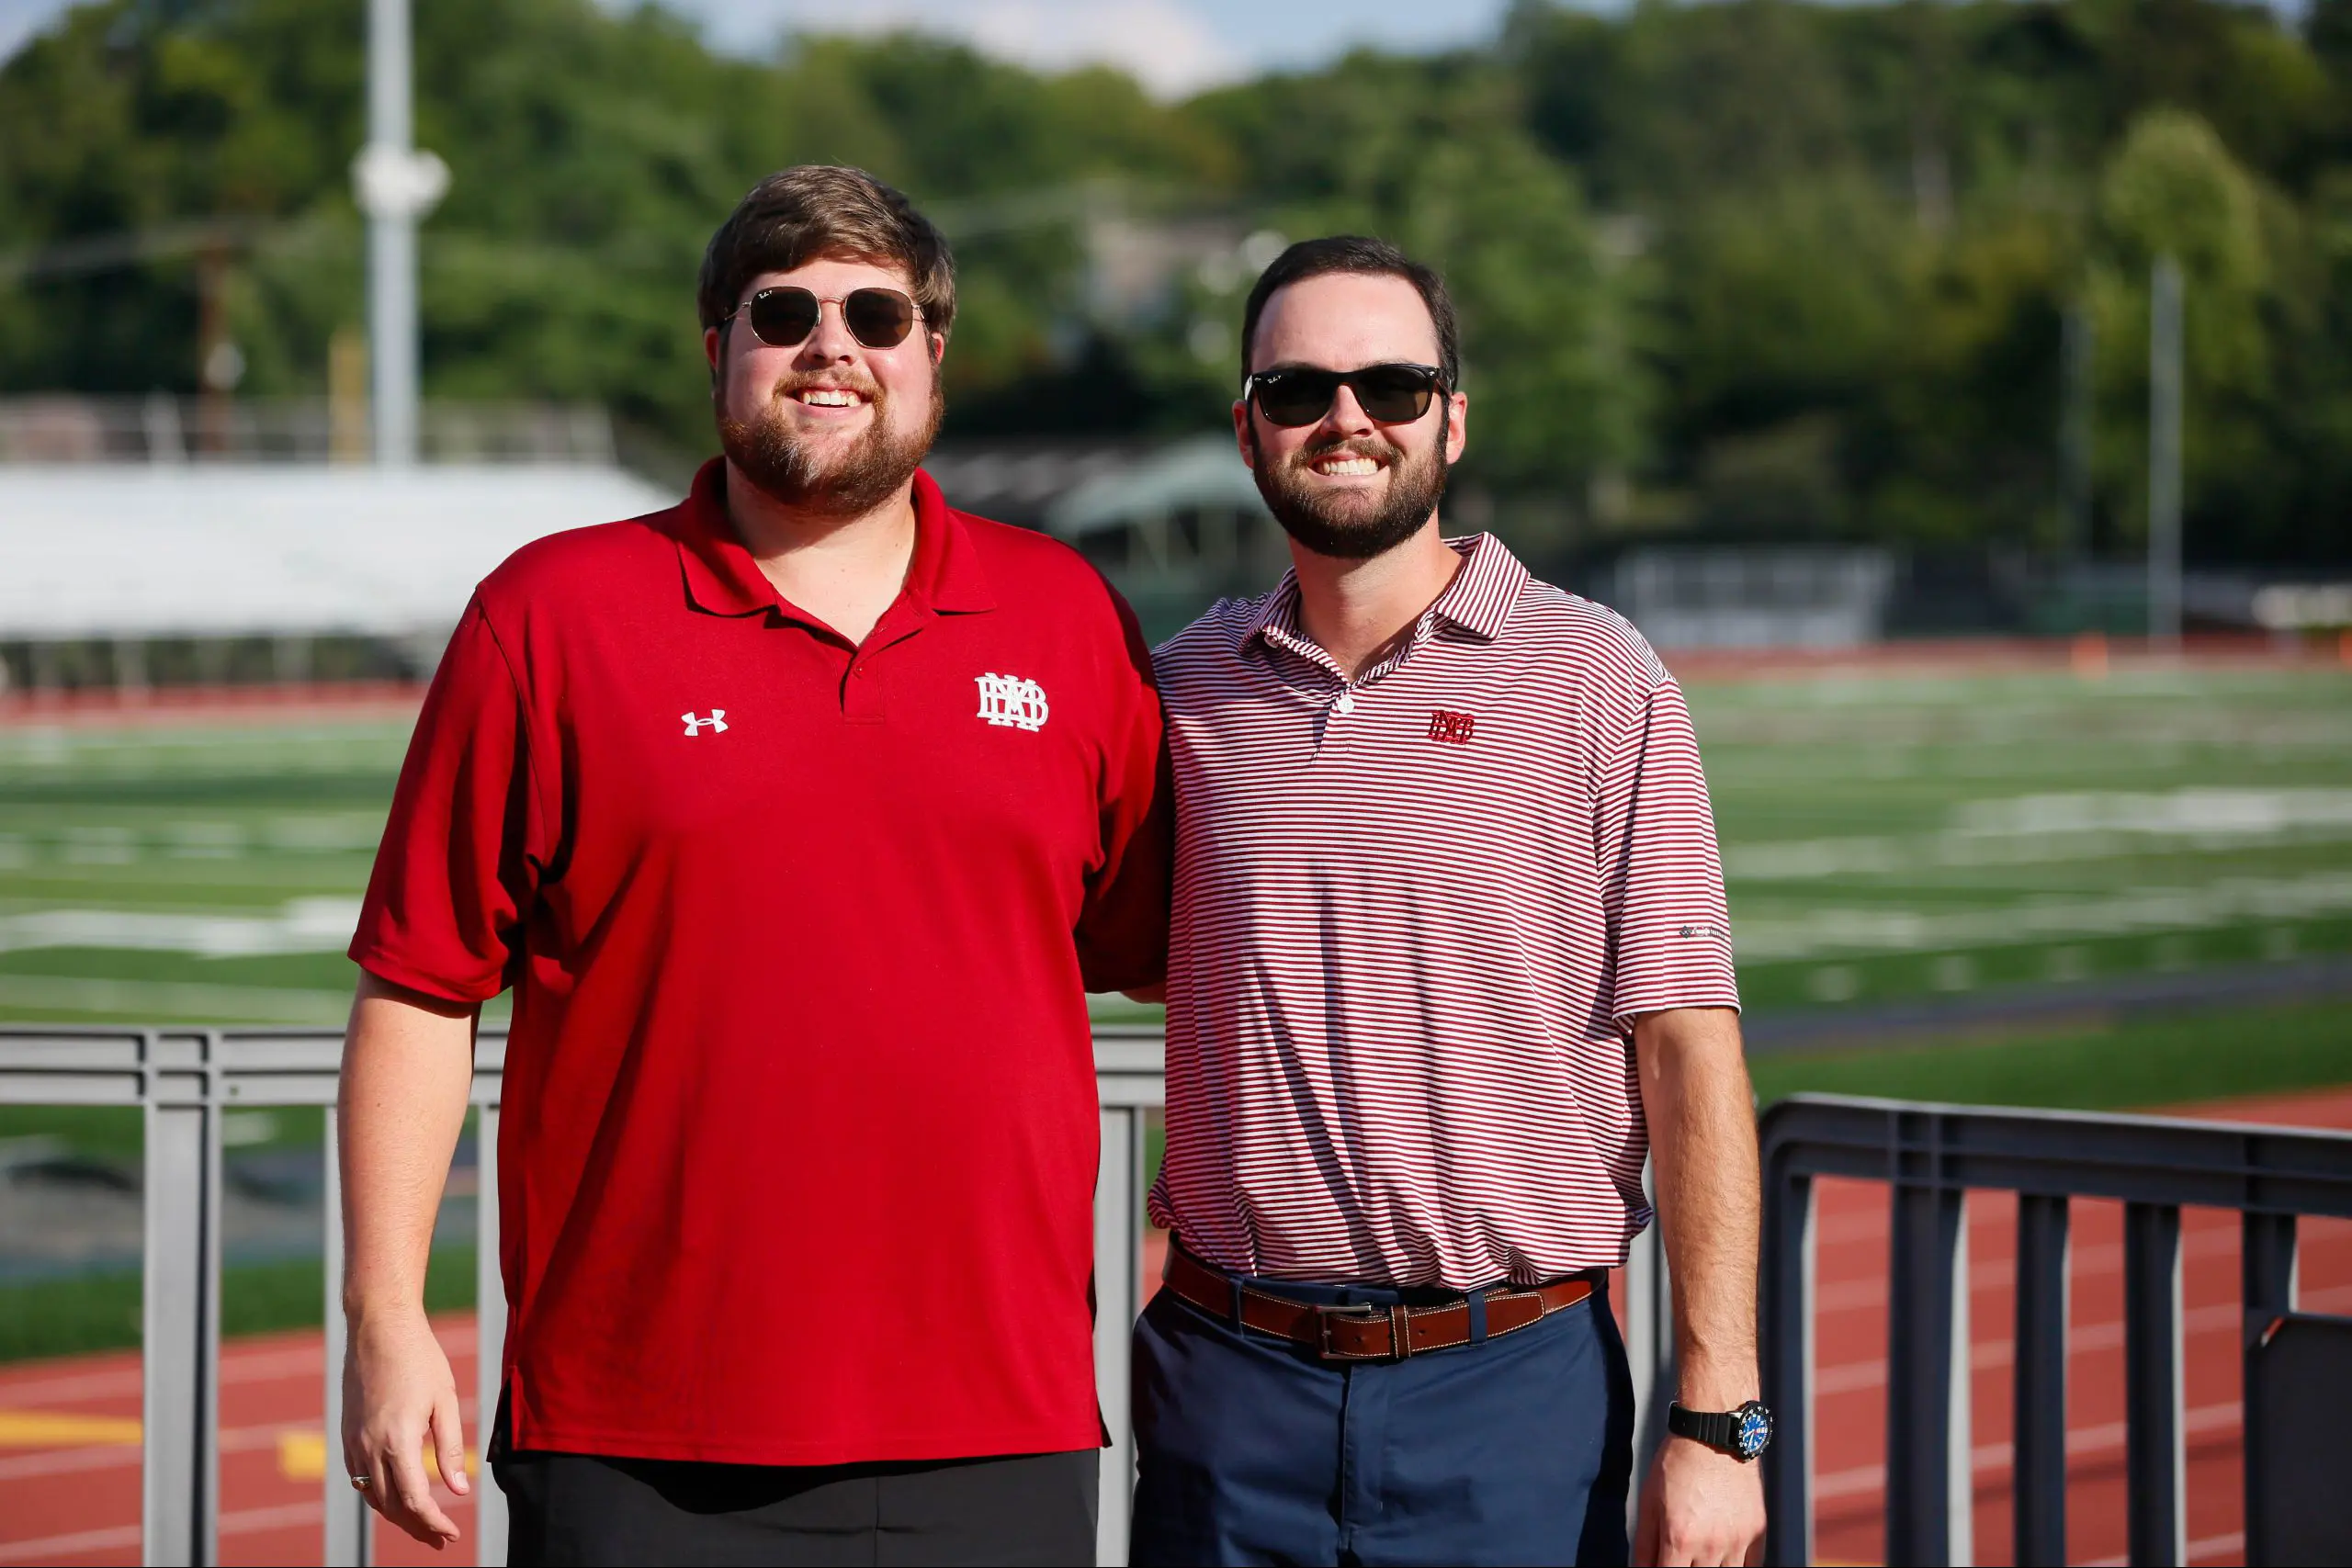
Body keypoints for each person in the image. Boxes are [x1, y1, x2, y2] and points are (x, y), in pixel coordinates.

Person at [336, 164, 1168, 1566]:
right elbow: (420, 989)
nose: (832, 343)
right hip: (638, 1423)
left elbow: (1186, 956)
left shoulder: (1065, 612)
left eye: (876, 314)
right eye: (784, 310)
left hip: (998, 1416)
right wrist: (384, 1311)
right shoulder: (552, 613)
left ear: (931, 356)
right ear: (717, 345)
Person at [1132, 236, 1770, 1567]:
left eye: (1392, 385)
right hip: (1226, 1385)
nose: (1345, 418)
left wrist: (1718, 1414)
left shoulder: (1600, 675)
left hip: (1509, 1386)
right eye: (1299, 388)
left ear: (1452, 418)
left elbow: (1689, 1048)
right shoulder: (1180, 688)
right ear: (1247, 429)